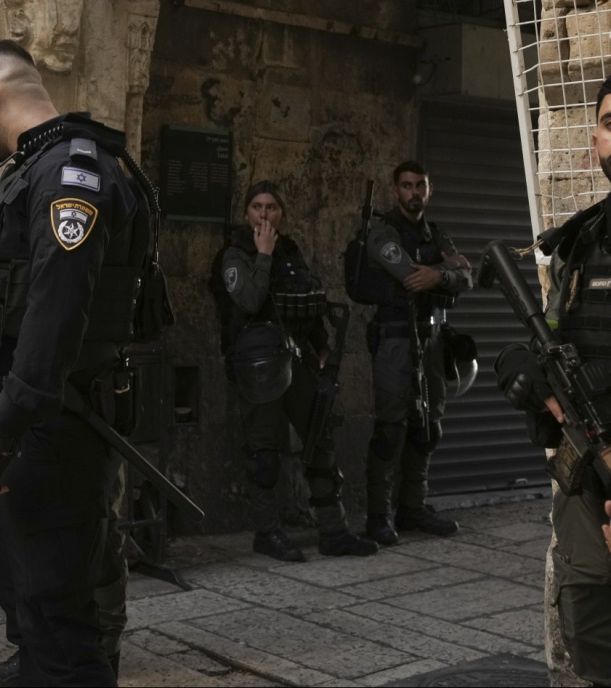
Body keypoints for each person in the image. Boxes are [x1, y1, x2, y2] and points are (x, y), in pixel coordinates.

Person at [0, 39, 148, 686]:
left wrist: (3, 428)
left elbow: (55, 313)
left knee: (62, 618)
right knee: (33, 600)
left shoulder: (68, 170)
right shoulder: (33, 167)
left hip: (51, 423)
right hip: (31, 420)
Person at [497, 75, 611, 684]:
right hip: (586, 475)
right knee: (587, 638)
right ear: (595, 141)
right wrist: (521, 366)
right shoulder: (580, 243)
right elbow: (556, 336)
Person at [211, 181, 378, 562]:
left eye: (271, 207)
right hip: (258, 365)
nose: (264, 214)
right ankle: (267, 532)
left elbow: (307, 300)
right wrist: (263, 255)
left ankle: (334, 530)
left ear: (281, 213)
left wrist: (321, 345)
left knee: (320, 437)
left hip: (295, 358)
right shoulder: (235, 254)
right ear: (246, 213)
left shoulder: (290, 250)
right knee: (264, 453)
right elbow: (250, 300)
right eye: (257, 207)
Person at [362, 160, 472, 545]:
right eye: (407, 186)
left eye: (420, 185)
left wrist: (440, 274)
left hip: (432, 338)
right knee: (390, 430)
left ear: (429, 190)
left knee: (428, 427)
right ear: (396, 190)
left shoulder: (435, 233)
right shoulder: (383, 233)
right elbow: (409, 275)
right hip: (395, 338)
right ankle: (379, 516)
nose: (414, 192)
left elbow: (467, 276)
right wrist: (447, 268)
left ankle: (412, 507)